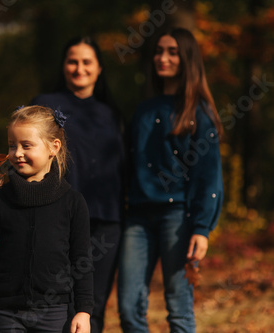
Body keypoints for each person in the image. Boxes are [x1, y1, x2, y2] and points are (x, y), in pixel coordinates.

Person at [0, 105, 93, 333]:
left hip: (54, 312)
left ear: (53, 147)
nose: (17, 153)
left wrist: (84, 311)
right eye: (12, 145)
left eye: (26, 145)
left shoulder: (72, 202)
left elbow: (82, 261)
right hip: (5, 311)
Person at [117, 27, 224, 332]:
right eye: (158, 51)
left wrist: (202, 228)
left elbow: (209, 175)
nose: (162, 58)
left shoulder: (199, 113)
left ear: (187, 58)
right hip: (137, 218)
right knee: (128, 308)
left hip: (178, 217)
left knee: (178, 308)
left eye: (172, 52)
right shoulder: (143, 110)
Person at [31, 36, 124, 333]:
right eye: (73, 61)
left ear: (99, 69)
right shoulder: (45, 106)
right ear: (63, 66)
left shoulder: (112, 115)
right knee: (59, 307)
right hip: (61, 220)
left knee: (92, 308)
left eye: (87, 62)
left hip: (106, 222)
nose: (79, 68)